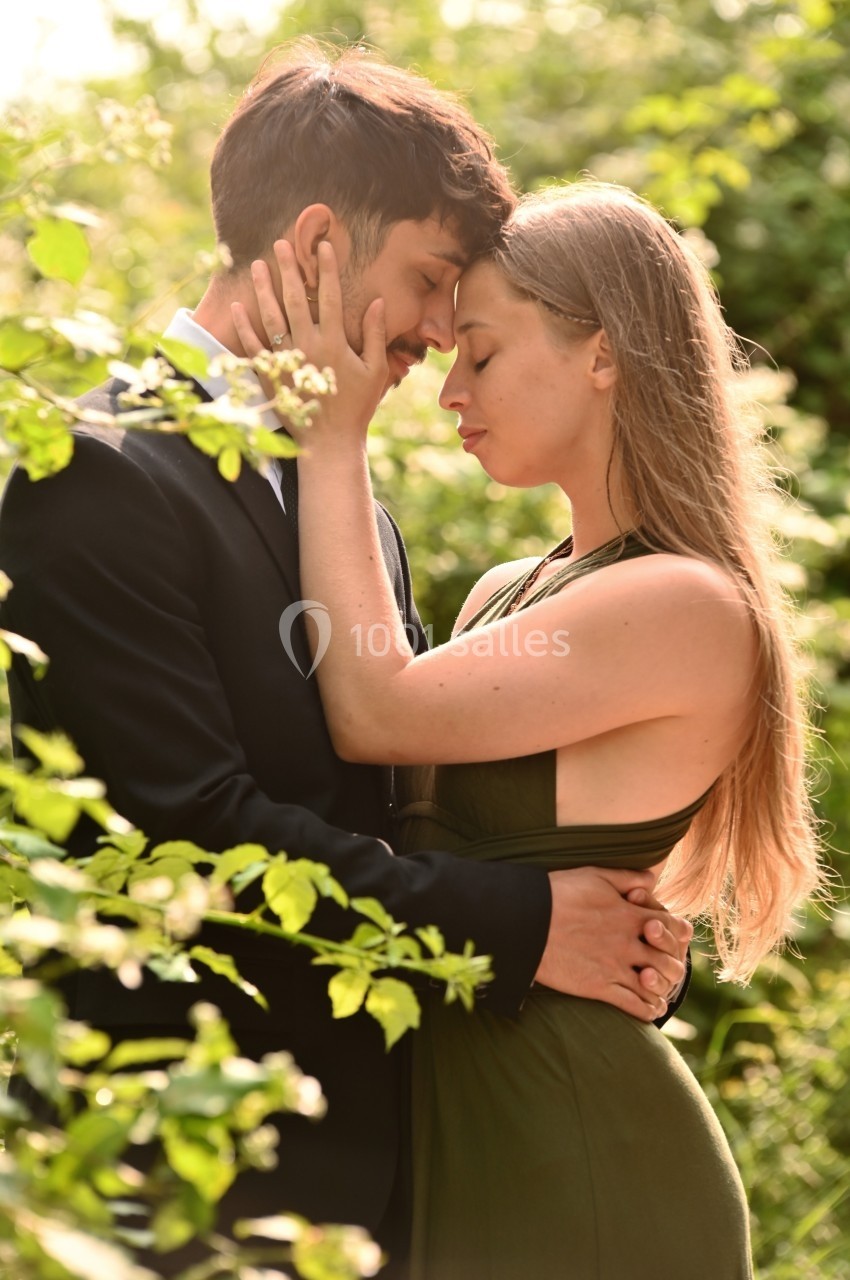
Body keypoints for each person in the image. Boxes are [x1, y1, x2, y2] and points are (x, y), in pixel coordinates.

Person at [0, 45, 691, 1276]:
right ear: (316, 240)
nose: (440, 328)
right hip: (188, 1190)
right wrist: (524, 921)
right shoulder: (100, 474)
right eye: (430, 279)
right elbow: (186, 834)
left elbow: (396, 800)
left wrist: (605, 928)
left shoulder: (347, 504)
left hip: (384, 1183)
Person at [233, 179, 823, 1278]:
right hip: (455, 1135)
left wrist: (332, 433)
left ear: (602, 353)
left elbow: (374, 707)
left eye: (482, 353)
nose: (449, 390)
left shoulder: (680, 603)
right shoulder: (508, 591)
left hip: (578, 1150)